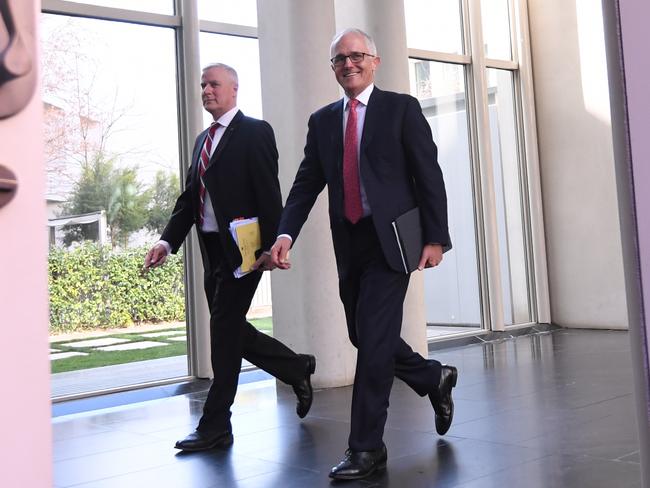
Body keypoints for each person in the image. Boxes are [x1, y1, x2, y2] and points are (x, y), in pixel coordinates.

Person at [270, 29, 458, 480]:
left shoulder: (401, 109)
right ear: (332, 68)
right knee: (364, 335)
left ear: (375, 61)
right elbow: (305, 185)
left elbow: (428, 175)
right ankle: (434, 378)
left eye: (356, 56)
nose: (348, 64)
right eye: (339, 59)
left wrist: (436, 238)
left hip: (393, 242)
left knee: (373, 345)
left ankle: (367, 447)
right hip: (350, 242)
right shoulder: (323, 121)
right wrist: (285, 234)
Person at [145, 63, 315, 452]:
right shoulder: (202, 140)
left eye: (214, 84)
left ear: (234, 89)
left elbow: (268, 193)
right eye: (203, 84)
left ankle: (216, 423)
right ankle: (295, 366)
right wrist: (167, 242)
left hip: (246, 251)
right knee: (230, 329)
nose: (206, 90)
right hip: (211, 250)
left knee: (223, 334)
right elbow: (189, 201)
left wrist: (272, 247)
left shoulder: (255, 132)